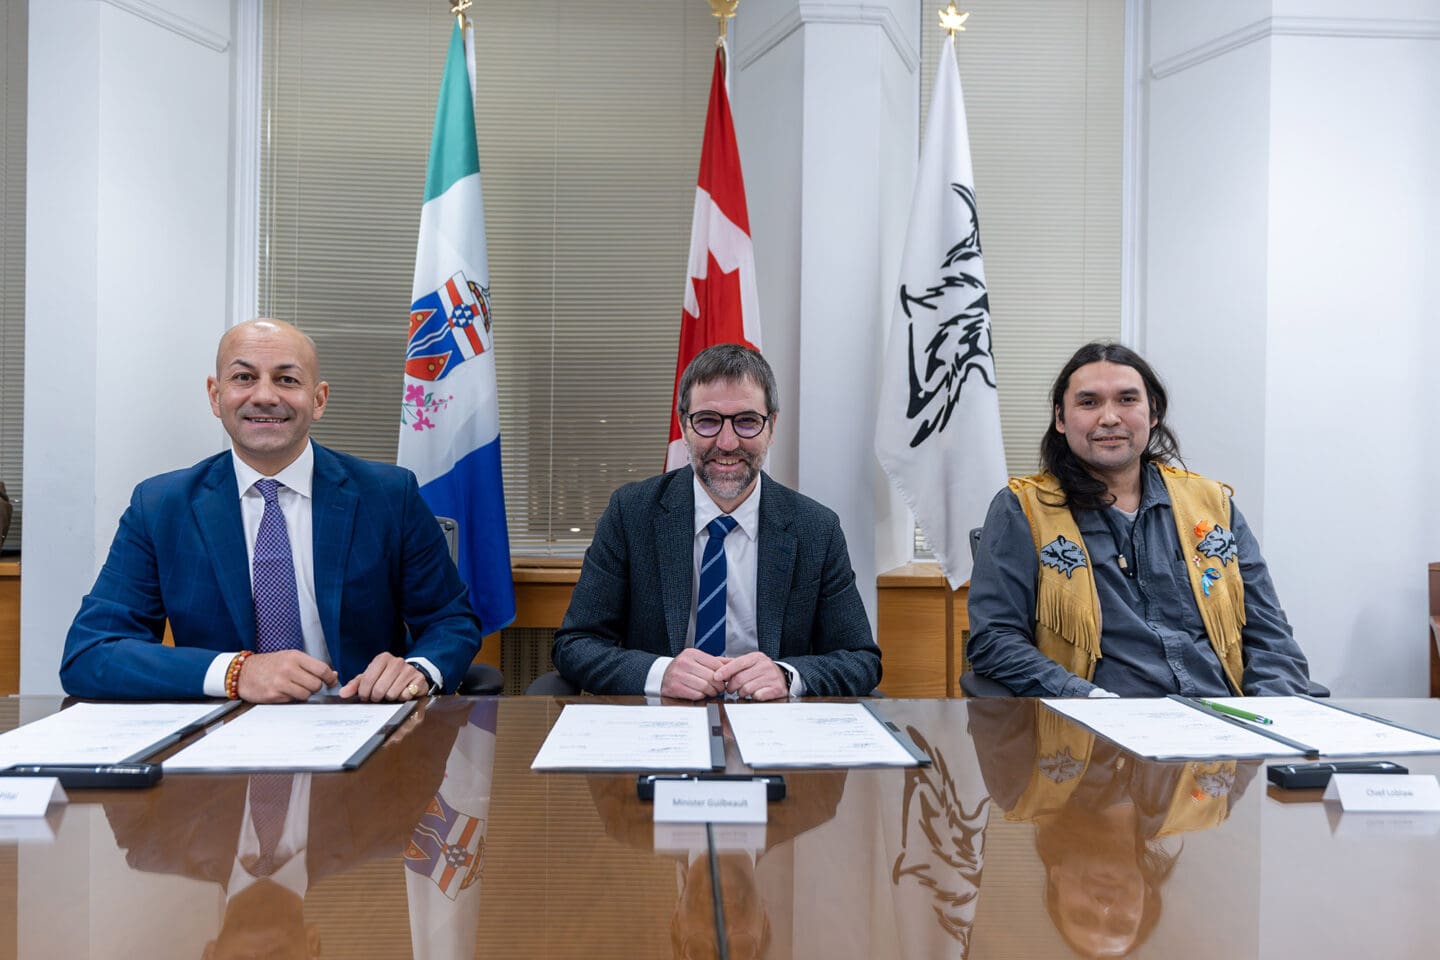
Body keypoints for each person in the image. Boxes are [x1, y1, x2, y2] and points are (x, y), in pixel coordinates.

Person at [61, 319, 483, 702]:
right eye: (244, 377)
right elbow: (92, 652)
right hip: (219, 737)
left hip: (360, 726)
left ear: (318, 400)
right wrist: (236, 673)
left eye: (287, 379)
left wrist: (417, 670)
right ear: (216, 395)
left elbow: (451, 621)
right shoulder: (160, 506)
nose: (264, 396)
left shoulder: (390, 495)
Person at [966, 341, 1310, 697]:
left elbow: (1269, 634)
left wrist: (1273, 713)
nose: (1110, 417)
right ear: (1060, 419)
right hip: (1096, 733)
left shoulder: (1213, 505)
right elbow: (995, 640)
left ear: (1154, 412)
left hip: (1221, 725)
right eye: (1089, 402)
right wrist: (1084, 698)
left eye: (1127, 400)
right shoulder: (1023, 510)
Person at [552, 343, 881, 699]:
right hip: (663, 729)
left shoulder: (816, 528)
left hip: (773, 730)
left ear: (771, 426)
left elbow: (860, 659)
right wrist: (660, 674)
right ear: (683, 425)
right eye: (707, 421)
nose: (727, 443)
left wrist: (786, 676)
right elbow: (575, 645)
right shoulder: (631, 514)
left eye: (747, 421)